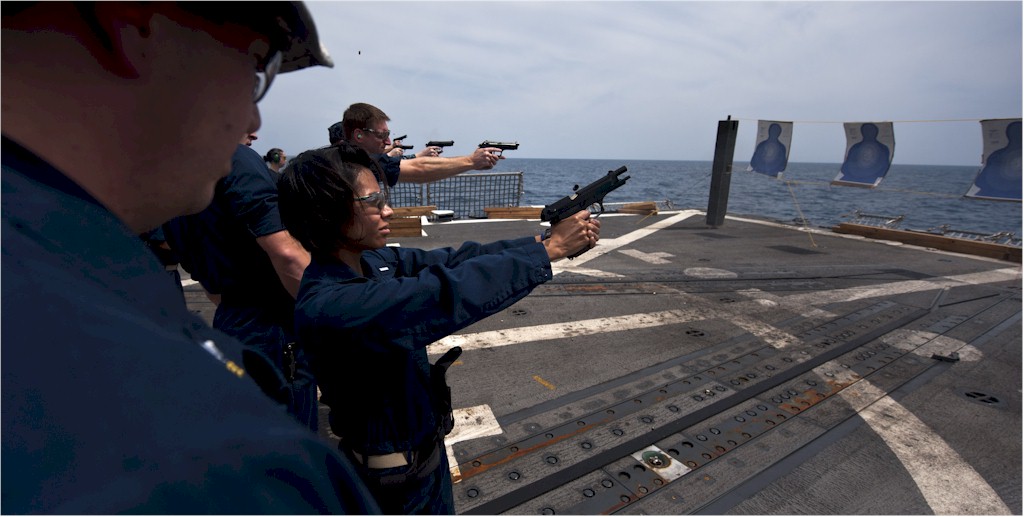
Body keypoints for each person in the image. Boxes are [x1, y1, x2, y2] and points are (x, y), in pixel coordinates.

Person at [1, 3, 379, 513]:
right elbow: (287, 254)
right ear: (133, 25)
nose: (254, 118)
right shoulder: (199, 447)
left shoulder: (63, 263)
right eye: (254, 69)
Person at [276, 143, 600, 514]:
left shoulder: (370, 261)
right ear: (328, 211)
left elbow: (453, 261)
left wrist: (539, 242)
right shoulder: (332, 305)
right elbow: (444, 292)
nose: (388, 210)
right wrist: (548, 252)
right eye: (373, 201)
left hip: (425, 458)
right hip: (395, 486)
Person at [163, 134, 318, 433]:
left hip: (231, 318)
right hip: (273, 321)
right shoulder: (236, 158)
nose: (255, 131)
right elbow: (286, 252)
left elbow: (203, 274)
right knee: (294, 432)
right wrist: (333, 318)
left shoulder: (173, 174)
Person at [337, 102, 504, 186]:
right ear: (358, 135)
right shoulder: (356, 162)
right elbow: (419, 169)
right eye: (381, 135)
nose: (388, 142)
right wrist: (472, 161)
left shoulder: (339, 157)